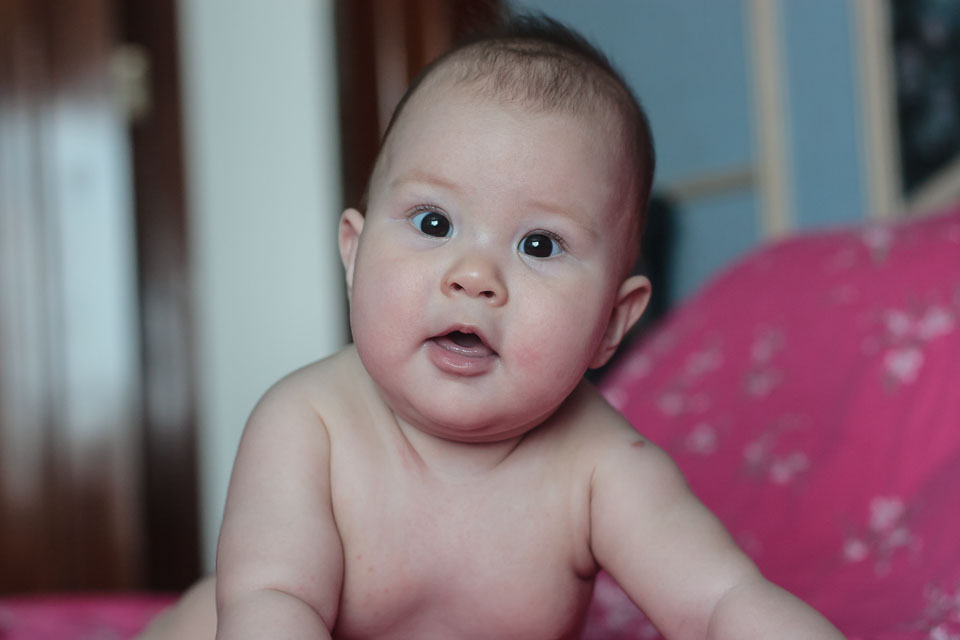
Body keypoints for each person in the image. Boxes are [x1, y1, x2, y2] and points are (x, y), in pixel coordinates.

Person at [141, 14, 844, 640]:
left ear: (612, 322)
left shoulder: (602, 468)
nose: (474, 276)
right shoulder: (308, 424)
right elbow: (271, 602)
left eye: (539, 244)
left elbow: (721, 602)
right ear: (354, 255)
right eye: (434, 223)